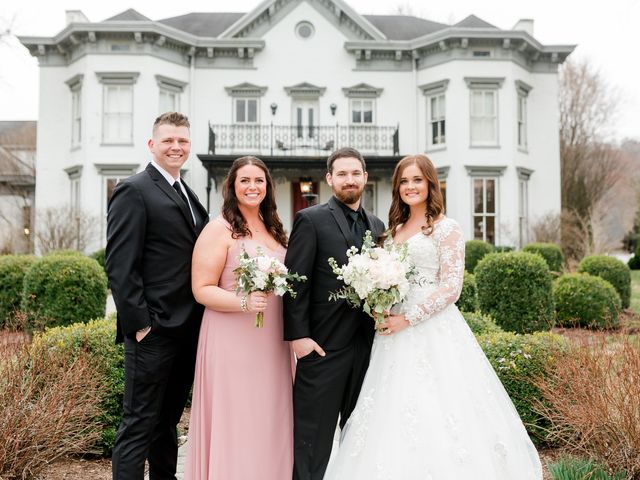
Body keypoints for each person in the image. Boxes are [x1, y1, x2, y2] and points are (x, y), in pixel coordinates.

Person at [324, 154, 542, 479]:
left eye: (417, 180)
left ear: (430, 184)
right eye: (404, 181)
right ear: (397, 187)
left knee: (438, 407)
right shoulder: (393, 230)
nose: (410, 187)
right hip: (391, 332)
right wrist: (380, 306)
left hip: (431, 329)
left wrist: (407, 319)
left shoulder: (446, 228)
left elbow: (451, 288)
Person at [106, 112, 209, 480]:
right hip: (153, 332)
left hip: (186, 332)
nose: (176, 146)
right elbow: (120, 265)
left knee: (166, 425)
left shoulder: (188, 193)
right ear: (152, 144)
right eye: (168, 140)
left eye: (182, 140)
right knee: (138, 425)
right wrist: (141, 325)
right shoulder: (134, 189)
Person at [184, 156, 294, 479]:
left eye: (259, 181)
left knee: (269, 415)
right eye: (244, 180)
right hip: (231, 339)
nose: (252, 187)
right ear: (232, 186)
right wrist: (243, 302)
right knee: (237, 417)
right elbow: (201, 289)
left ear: (267, 187)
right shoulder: (218, 230)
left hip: (271, 339)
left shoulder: (274, 228)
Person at [284, 147, 386, 480]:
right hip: (322, 348)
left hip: (367, 348)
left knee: (359, 436)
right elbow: (295, 282)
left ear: (365, 178)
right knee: (312, 439)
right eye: (341, 174)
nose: (349, 180)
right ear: (330, 179)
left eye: (355, 173)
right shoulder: (310, 220)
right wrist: (299, 338)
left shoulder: (377, 224)